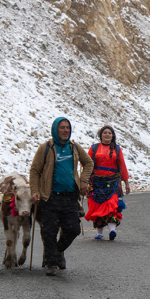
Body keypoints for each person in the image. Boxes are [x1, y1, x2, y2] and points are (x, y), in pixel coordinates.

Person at [29, 117, 94, 276]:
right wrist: (35, 191)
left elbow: (89, 163)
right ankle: (51, 263)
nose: (66, 130)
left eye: (67, 127)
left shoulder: (74, 148)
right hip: (50, 197)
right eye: (62, 128)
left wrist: (83, 180)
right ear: (55, 130)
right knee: (49, 231)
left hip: (70, 196)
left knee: (73, 229)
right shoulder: (45, 148)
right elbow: (34, 171)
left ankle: (57, 252)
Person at [85, 125, 131, 241]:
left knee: (112, 206)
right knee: (98, 206)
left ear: (113, 136)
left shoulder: (117, 149)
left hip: (113, 182)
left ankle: (112, 231)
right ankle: (99, 233)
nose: (107, 135)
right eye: (105, 133)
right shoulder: (94, 148)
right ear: (100, 135)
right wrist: (84, 180)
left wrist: (126, 183)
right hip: (96, 182)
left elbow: (122, 166)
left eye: (109, 133)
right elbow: (86, 164)